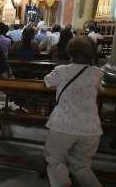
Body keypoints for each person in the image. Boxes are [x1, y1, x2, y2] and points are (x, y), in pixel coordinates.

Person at [44, 36, 103, 187]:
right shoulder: (97, 73)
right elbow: (99, 88)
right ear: (92, 56)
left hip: (64, 125)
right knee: (82, 165)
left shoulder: (61, 70)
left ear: (69, 53)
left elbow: (48, 82)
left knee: (55, 159)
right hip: (91, 128)